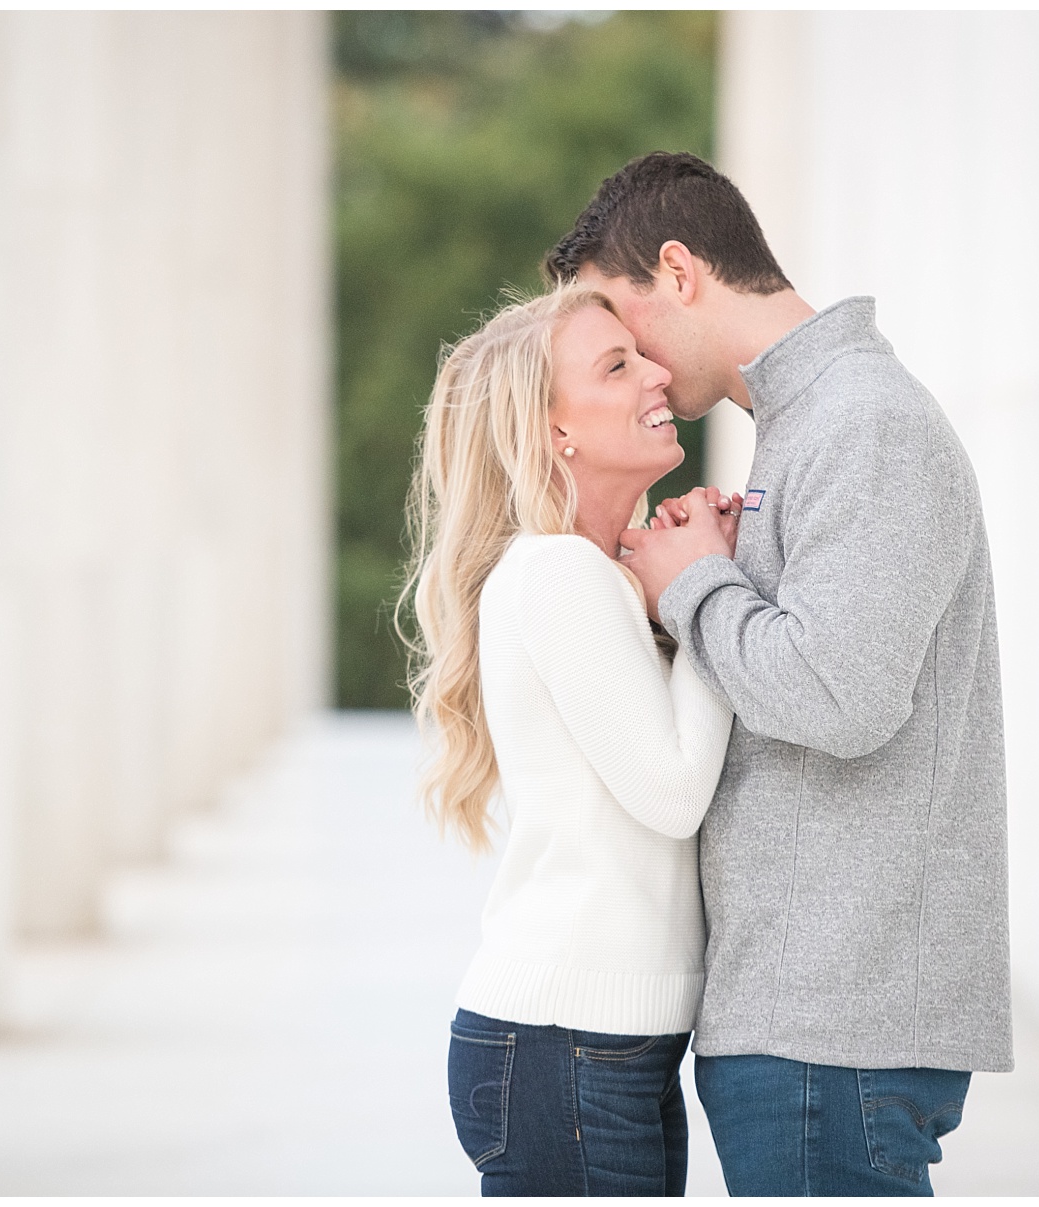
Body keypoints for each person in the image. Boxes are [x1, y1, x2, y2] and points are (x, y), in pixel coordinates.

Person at [542, 151, 1013, 1197]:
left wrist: (695, 587)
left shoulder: (865, 421)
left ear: (680, 270)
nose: (647, 373)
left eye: (630, 332)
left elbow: (839, 696)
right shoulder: (810, 423)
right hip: (808, 1013)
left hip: (837, 1018)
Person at [401, 283, 742, 1196]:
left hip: (595, 1049)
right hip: (567, 1049)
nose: (659, 372)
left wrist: (673, 586)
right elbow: (674, 794)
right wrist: (706, 583)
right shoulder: (555, 575)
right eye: (618, 364)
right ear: (559, 433)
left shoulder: (593, 576)